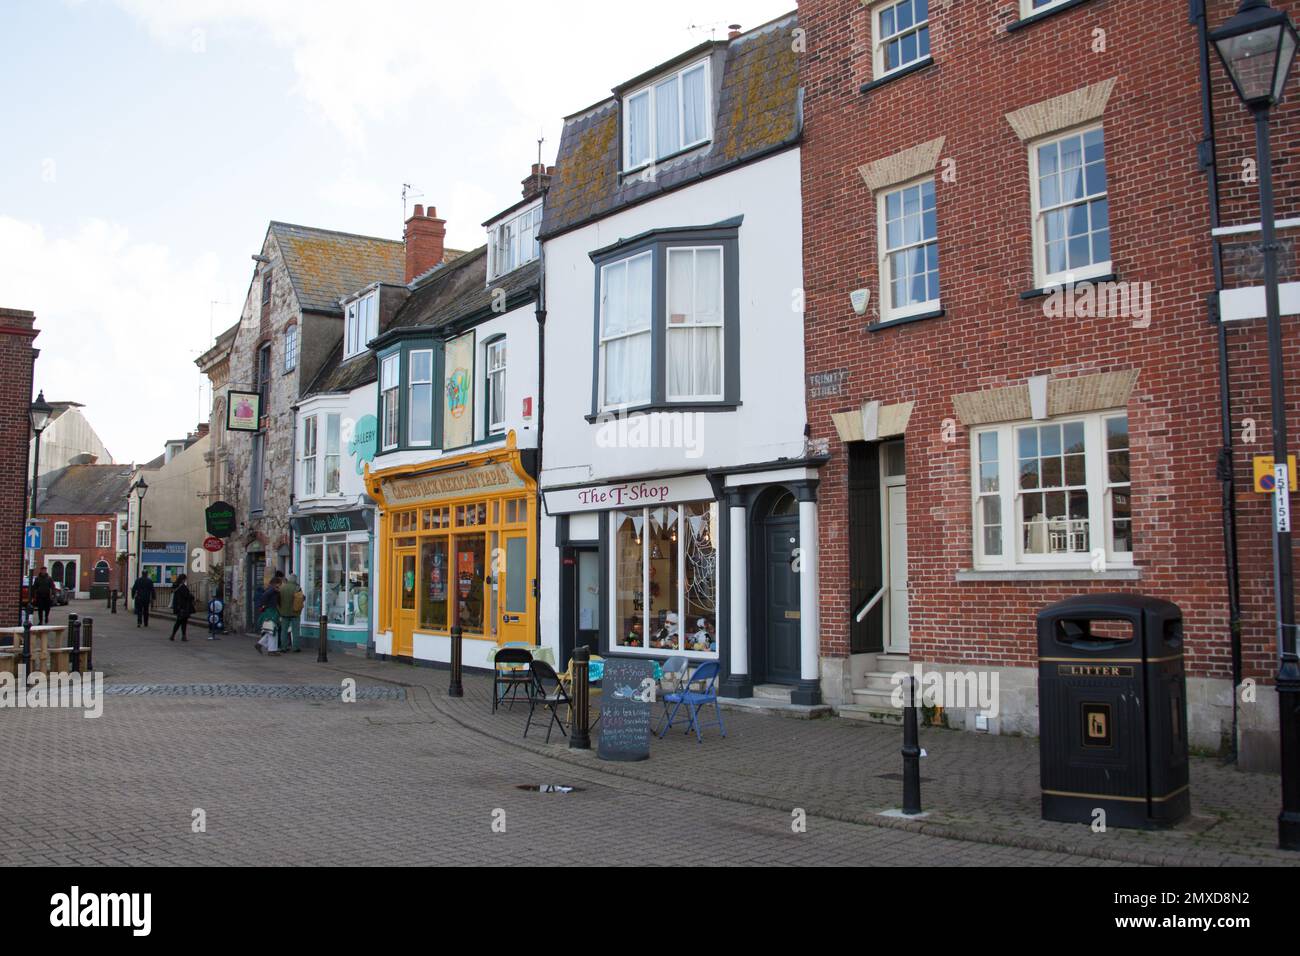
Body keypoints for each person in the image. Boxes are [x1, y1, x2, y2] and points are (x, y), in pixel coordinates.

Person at [254, 576, 282, 655]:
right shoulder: (271, 591)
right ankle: (271, 650)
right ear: (275, 584)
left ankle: (260, 644)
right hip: (270, 612)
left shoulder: (271, 591)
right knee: (272, 631)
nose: (280, 586)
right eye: (279, 584)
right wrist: (265, 606)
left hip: (270, 611)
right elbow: (264, 599)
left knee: (270, 631)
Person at [278, 572, 303, 653]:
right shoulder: (297, 588)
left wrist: (280, 610)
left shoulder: (282, 588)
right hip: (295, 612)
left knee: (284, 630)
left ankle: (283, 647)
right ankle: (295, 647)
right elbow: (301, 599)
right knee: (295, 630)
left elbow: (278, 600)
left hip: (284, 612)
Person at [169, 574, 194, 642]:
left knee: (179, 622)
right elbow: (187, 596)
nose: (185, 580)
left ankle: (175, 635)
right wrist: (191, 596)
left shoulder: (175, 585)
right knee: (182, 622)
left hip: (178, 606)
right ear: (183, 579)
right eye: (185, 579)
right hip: (183, 607)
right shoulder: (182, 587)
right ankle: (181, 636)